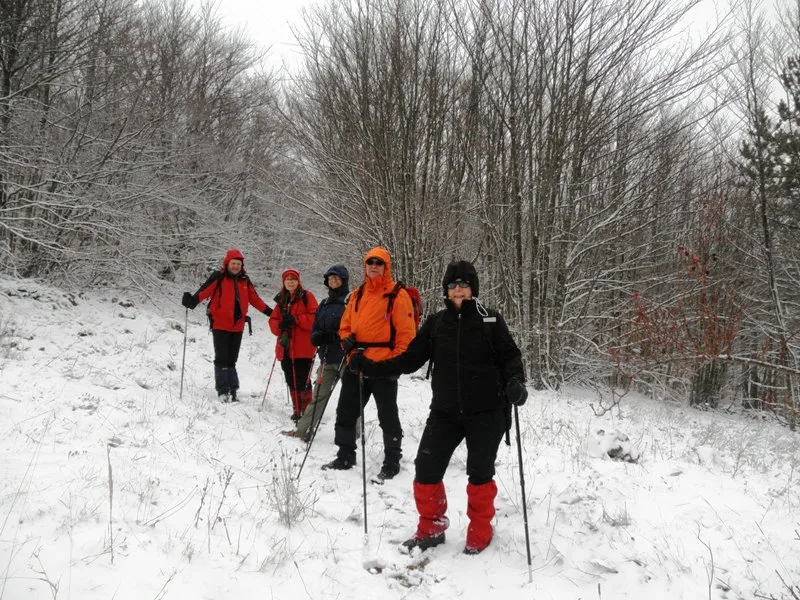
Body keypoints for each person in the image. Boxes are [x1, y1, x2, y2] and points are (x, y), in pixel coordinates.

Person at [350, 260, 528, 555]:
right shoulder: (436, 323)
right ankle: (431, 527)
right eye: (452, 285)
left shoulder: (490, 320)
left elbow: (511, 357)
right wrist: (370, 366)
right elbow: (409, 360)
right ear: (446, 290)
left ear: (473, 288)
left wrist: (516, 383)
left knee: (479, 472)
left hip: (487, 411)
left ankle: (480, 530)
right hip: (445, 411)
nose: (458, 290)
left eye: (464, 284)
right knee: (426, 468)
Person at [321, 246, 416, 481]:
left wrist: (394, 364)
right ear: (365, 266)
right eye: (370, 262)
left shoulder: (398, 295)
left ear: (386, 267)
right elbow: (345, 326)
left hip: (384, 366)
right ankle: (345, 455)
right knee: (346, 411)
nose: (374, 266)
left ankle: (392, 461)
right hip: (357, 362)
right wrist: (348, 345)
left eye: (379, 263)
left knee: (387, 416)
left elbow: (406, 335)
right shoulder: (357, 294)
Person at [181, 248, 272, 402]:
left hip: (238, 326)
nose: (236, 266)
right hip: (220, 325)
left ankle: (233, 389)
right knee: (222, 358)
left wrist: (272, 313)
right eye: (233, 263)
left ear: (241, 266)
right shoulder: (219, 277)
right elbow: (204, 291)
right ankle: (223, 390)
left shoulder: (245, 280)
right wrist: (192, 301)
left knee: (232, 359)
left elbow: (255, 300)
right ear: (227, 263)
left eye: (238, 264)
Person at [282, 264, 350, 442]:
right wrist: (316, 337)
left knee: (350, 398)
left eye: (336, 278)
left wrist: (336, 336)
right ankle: (303, 430)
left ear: (343, 280)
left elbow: (354, 328)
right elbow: (315, 326)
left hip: (346, 358)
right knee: (319, 396)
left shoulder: (350, 301)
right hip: (327, 358)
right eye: (330, 278)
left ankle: (353, 435)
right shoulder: (324, 303)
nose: (333, 281)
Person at [269, 268, 319, 421]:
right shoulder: (281, 300)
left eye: (293, 279)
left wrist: (296, 320)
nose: (290, 282)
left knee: (303, 380)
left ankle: (306, 413)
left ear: (298, 281)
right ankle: (297, 410)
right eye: (287, 279)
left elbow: (315, 319)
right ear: (283, 282)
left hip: (303, 348)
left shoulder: (307, 297)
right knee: (290, 379)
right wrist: (280, 326)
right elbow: (273, 320)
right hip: (285, 347)